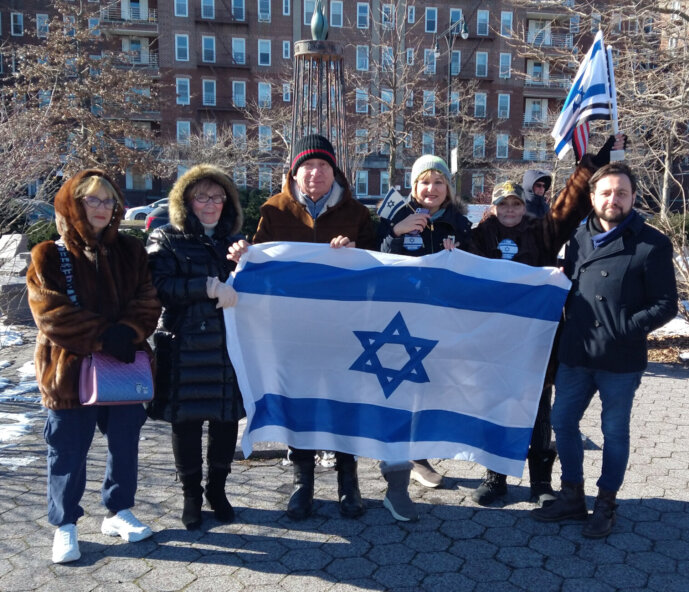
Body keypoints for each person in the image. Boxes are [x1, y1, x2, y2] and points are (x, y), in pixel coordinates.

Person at [469, 135, 625, 508]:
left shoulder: (539, 232)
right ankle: (495, 479)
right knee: (497, 405)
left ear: (524, 206)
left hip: (535, 341)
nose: (510, 209)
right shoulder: (476, 237)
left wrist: (597, 157)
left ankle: (540, 481)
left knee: (539, 408)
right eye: (503, 204)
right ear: (493, 207)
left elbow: (568, 205)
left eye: (515, 203)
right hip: (493, 342)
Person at [228, 134, 376, 520]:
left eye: (323, 166)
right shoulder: (274, 211)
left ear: (334, 172)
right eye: (308, 167)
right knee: (298, 400)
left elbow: (379, 269)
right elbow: (257, 266)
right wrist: (244, 254)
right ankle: (302, 481)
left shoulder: (357, 215)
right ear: (295, 172)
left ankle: (349, 482)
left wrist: (355, 254)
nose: (315, 173)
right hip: (291, 330)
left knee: (345, 399)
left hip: (344, 328)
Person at [532, 161, 677, 538]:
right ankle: (572, 495)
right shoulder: (579, 237)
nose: (614, 199)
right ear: (593, 197)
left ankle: (606, 503)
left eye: (622, 193)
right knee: (563, 422)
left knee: (614, 432)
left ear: (632, 198)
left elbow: (666, 304)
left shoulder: (653, 243)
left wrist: (625, 329)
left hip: (619, 357)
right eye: (606, 192)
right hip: (576, 353)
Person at [26, 170, 161, 564]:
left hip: (122, 368)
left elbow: (148, 300)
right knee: (67, 449)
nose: (102, 208)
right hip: (67, 373)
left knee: (124, 444)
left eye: (108, 201)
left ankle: (119, 511)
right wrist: (105, 336)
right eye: (92, 200)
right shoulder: (49, 255)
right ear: (74, 203)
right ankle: (65, 524)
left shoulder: (131, 251)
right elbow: (50, 312)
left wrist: (130, 330)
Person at [146, 164, 244, 530]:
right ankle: (190, 494)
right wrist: (205, 287)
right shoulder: (166, 237)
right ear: (186, 201)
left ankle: (216, 490)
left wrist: (245, 261)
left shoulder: (234, 241)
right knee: (185, 423)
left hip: (226, 348)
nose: (210, 204)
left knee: (225, 421)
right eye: (201, 196)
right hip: (185, 347)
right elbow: (159, 285)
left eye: (217, 197)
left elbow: (250, 288)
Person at [376, 154, 472, 520]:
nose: (431, 189)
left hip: (439, 324)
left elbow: (473, 271)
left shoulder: (459, 224)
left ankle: (418, 457)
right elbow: (374, 261)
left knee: (428, 394)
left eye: (439, 182)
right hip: (397, 323)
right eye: (424, 182)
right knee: (398, 397)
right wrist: (396, 233)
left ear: (448, 188)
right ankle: (395, 485)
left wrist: (459, 257)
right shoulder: (394, 218)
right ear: (413, 187)